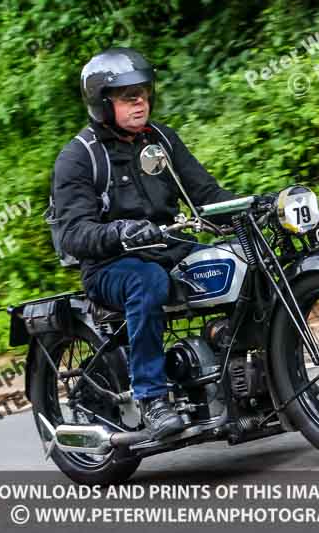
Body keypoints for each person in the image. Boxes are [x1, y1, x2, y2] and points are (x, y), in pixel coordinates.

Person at [52, 48, 237, 439]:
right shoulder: (79, 157)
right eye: (127, 96)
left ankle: (250, 368)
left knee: (239, 262)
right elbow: (73, 234)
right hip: (109, 267)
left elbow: (205, 194)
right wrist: (120, 232)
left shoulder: (162, 140)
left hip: (169, 249)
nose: (140, 102)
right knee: (147, 280)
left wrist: (254, 205)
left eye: (143, 93)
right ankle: (152, 397)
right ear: (103, 103)